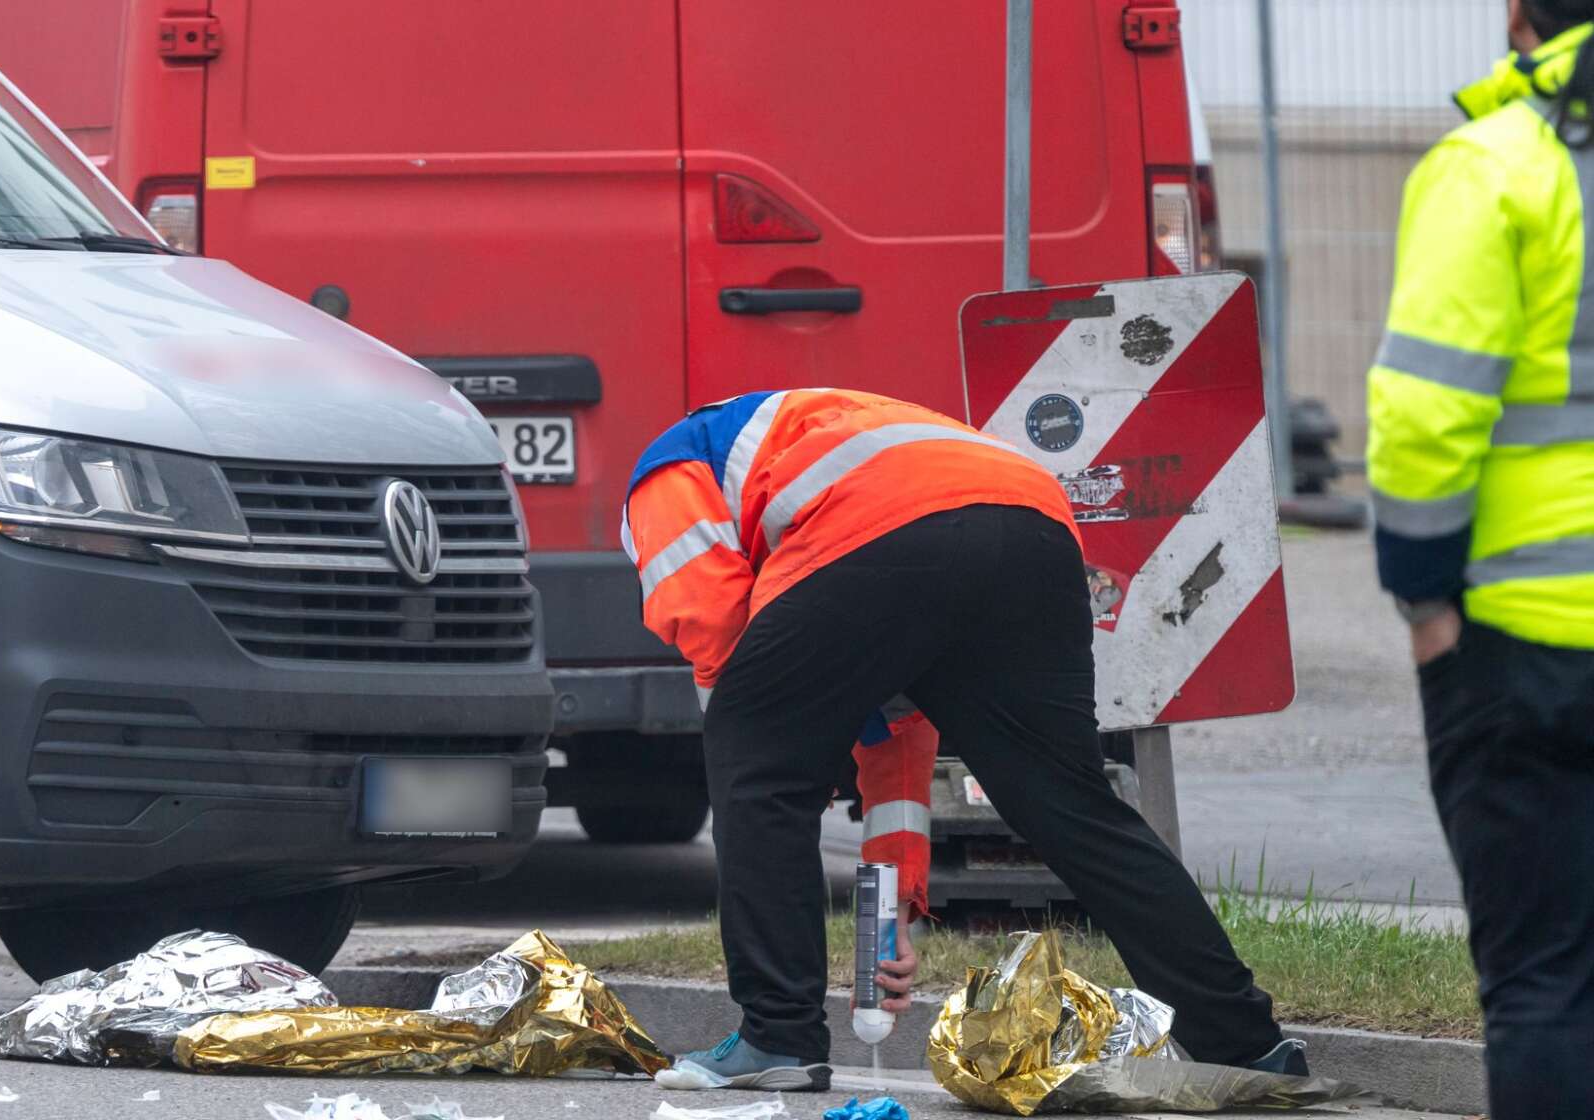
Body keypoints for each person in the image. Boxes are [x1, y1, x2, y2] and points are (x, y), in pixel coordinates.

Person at [621, 388, 1302, 1091]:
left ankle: (777, 1038)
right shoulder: (811, 437)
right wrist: (890, 918)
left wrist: (792, 748)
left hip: (883, 523)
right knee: (1072, 805)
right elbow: (900, 729)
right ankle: (1245, 1045)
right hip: (1033, 526)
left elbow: (721, 637)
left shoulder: (661, 475)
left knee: (755, 768)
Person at [1368, 2, 1594, 1114]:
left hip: (1526, 649)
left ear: (1518, 15)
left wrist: (1421, 596)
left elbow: (1423, 411)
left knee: (1546, 983)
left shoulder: (1499, 166)